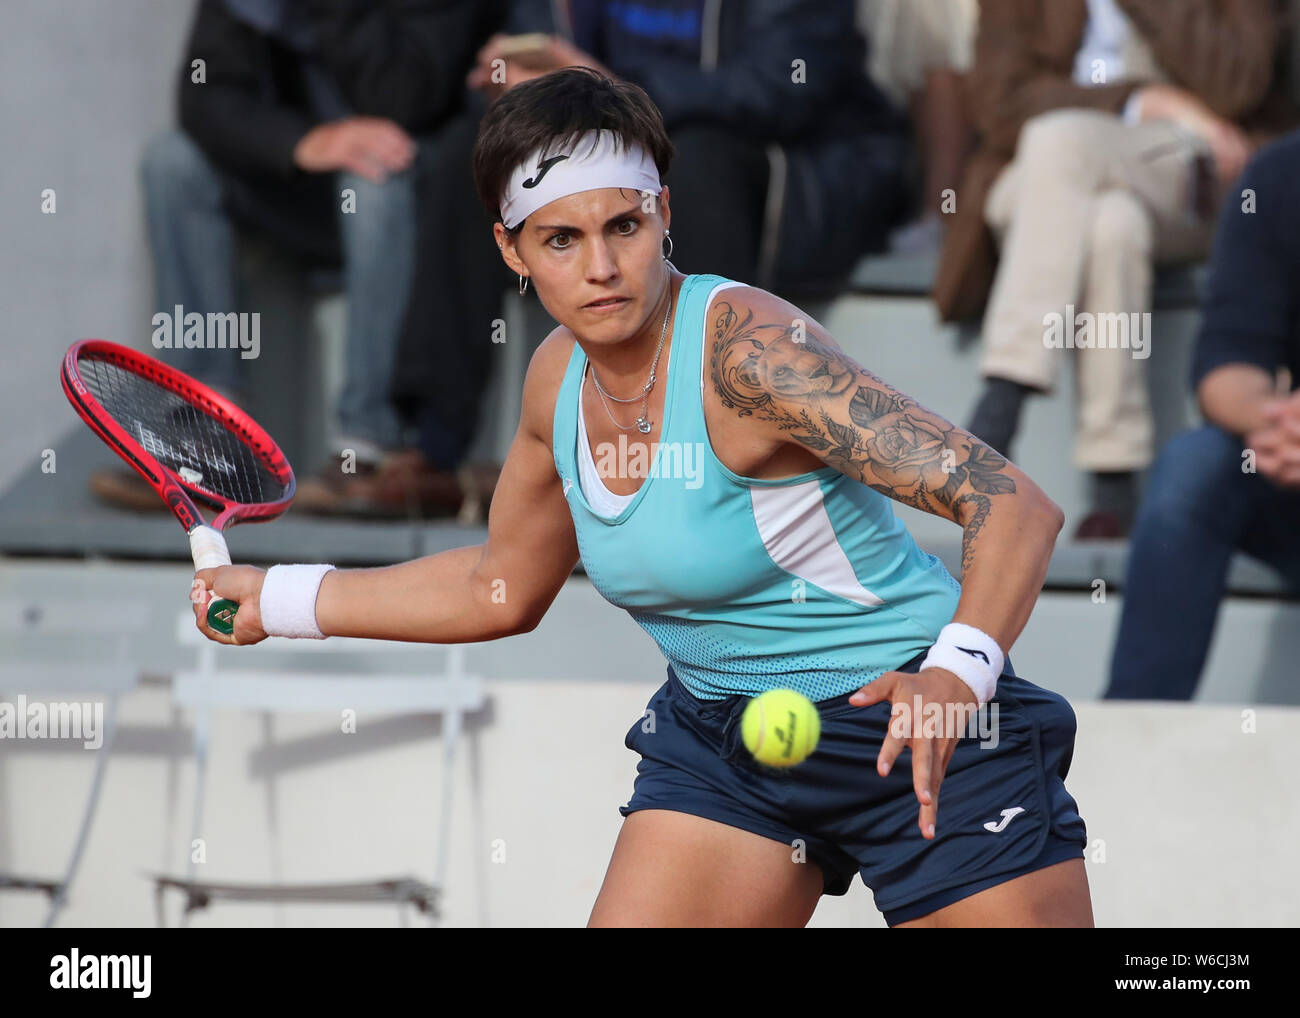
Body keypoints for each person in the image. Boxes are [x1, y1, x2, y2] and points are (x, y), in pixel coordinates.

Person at [190, 68, 1093, 927]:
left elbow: (1011, 500)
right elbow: (497, 589)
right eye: (560, 239)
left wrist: (955, 676)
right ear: (511, 249)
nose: (601, 268)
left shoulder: (752, 353)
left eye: (624, 226)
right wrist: (278, 599)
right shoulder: (555, 381)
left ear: (663, 213)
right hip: (723, 744)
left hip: (910, 719)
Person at [91, 0, 507, 518]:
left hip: (412, 200)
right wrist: (302, 142)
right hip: (306, 183)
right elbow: (204, 96)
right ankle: (205, 433)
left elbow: (405, 96)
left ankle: (369, 448)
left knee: (374, 174)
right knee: (172, 164)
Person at [936, 0, 1297, 539]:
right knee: (1110, 222)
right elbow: (998, 104)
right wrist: (1140, 99)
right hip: (1041, 176)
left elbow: (1236, 80)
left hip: (1192, 168)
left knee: (1070, 156)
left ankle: (1000, 407)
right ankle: (1113, 475)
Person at [1106, 131, 1300, 699]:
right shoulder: (1282, 175)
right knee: (1196, 462)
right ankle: (1136, 729)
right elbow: (1226, 365)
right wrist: (1281, 424)